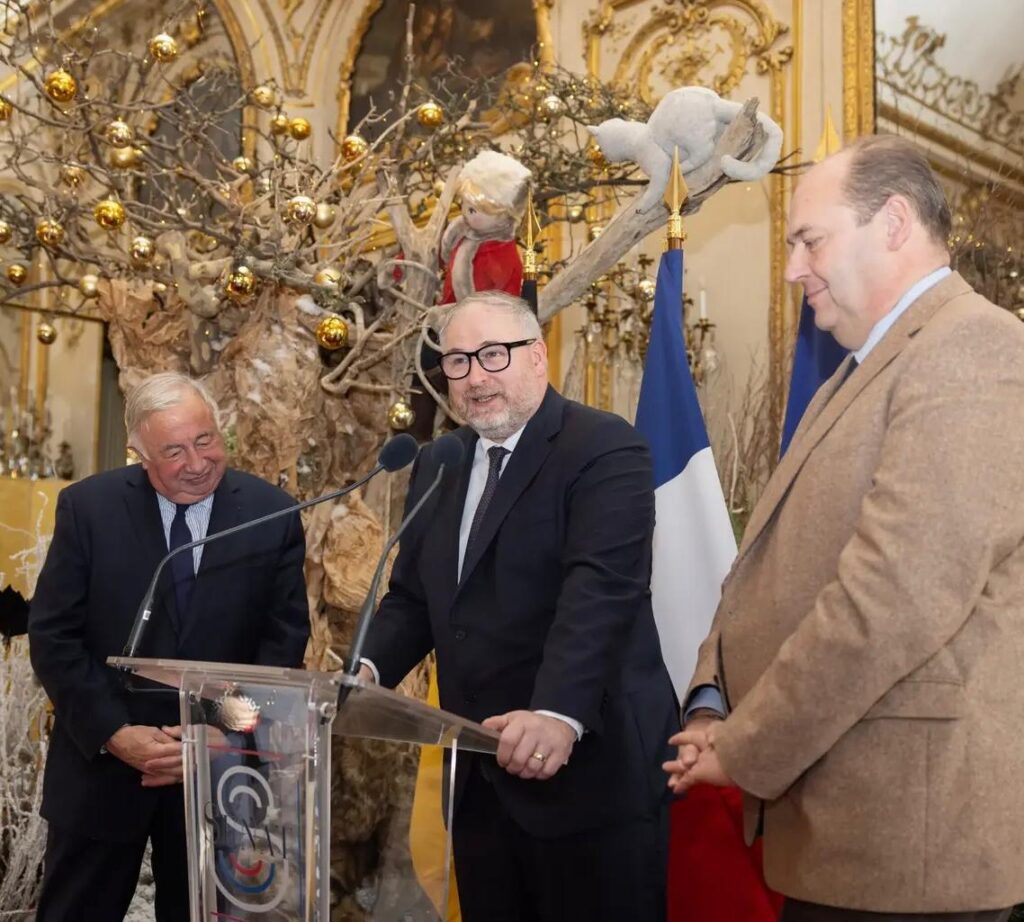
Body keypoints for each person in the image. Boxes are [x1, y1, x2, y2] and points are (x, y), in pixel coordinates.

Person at [665, 135, 1024, 921]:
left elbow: (892, 597)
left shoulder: (971, 350)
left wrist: (745, 746)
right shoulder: (865, 367)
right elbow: (768, 568)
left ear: (893, 222)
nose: (794, 269)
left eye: (809, 239)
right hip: (844, 836)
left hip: (909, 850)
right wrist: (712, 702)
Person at [358, 290, 679, 922]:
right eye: (456, 362)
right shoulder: (440, 461)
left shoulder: (604, 447)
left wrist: (557, 713)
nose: (474, 377)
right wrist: (360, 675)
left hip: (589, 772)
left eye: (493, 355)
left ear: (537, 357)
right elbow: (413, 598)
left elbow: (600, 591)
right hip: (481, 775)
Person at [28, 372, 310, 922]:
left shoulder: (271, 512)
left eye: (205, 440)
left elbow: (281, 646)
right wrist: (115, 734)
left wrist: (218, 733)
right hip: (102, 768)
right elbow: (54, 636)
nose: (197, 462)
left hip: (219, 777)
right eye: (174, 451)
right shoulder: (88, 509)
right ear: (139, 453)